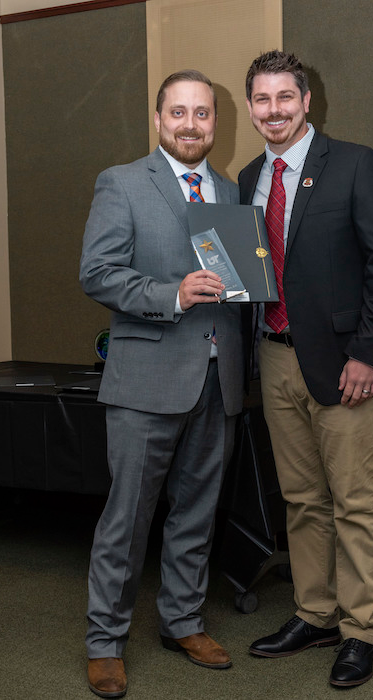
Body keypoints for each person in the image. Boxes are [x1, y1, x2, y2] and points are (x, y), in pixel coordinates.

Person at [239, 50, 373, 688]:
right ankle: (315, 613)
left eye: (285, 97)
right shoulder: (250, 175)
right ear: (251, 107)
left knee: (355, 503)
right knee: (302, 500)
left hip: (345, 366)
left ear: (308, 102)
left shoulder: (358, 165)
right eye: (262, 100)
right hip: (275, 358)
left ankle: (360, 629)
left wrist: (367, 355)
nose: (273, 110)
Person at [80, 69, 245, 698]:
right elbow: (96, 273)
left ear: (214, 122)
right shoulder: (121, 183)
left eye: (202, 114)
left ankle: (181, 621)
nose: (191, 124)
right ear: (158, 120)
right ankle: (104, 641)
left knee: (196, 514)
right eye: (178, 113)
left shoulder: (229, 193)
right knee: (127, 518)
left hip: (217, 376)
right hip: (145, 378)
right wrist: (169, 294)